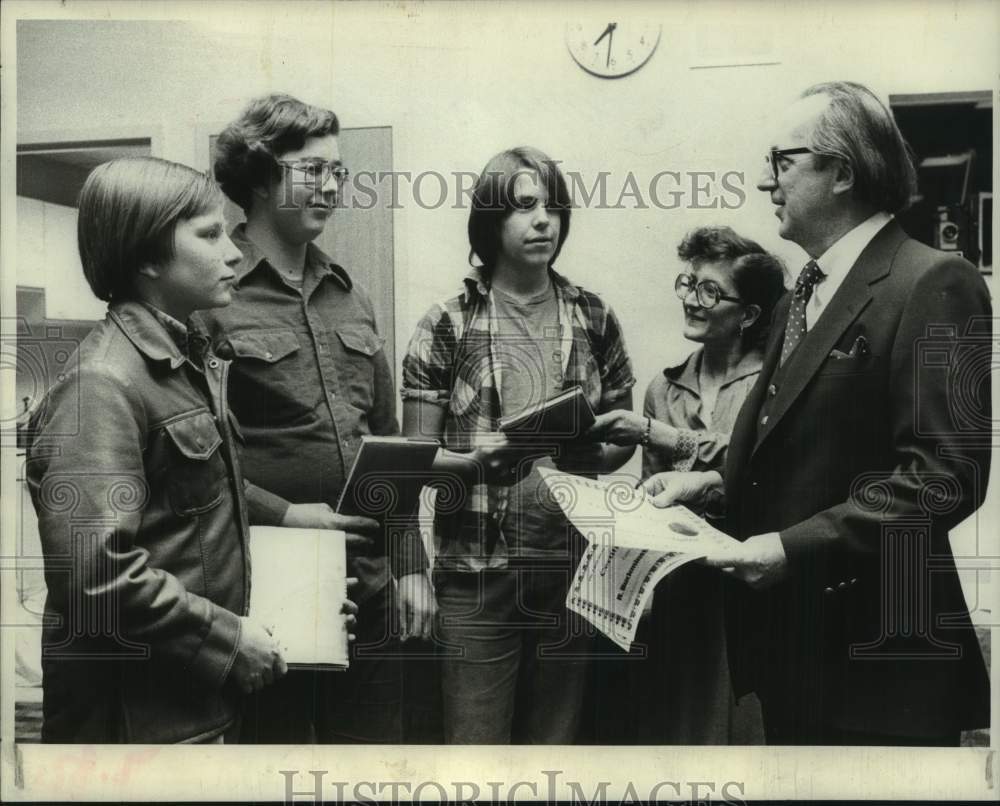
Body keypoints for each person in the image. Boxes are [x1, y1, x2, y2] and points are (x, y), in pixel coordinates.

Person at [646, 81, 991, 745]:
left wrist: (791, 550)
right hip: (794, 660)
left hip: (881, 674)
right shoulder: (800, 294)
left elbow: (947, 475)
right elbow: (811, 449)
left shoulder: (934, 281)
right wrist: (711, 483)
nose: (763, 182)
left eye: (782, 161)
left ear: (842, 171)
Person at [26, 157, 356, 743]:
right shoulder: (102, 383)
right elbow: (96, 577)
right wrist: (227, 642)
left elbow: (199, 522)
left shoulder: (184, 363)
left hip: (192, 706)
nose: (233, 253)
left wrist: (299, 610)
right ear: (148, 257)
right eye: (209, 235)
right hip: (141, 727)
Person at [200, 93, 433, 743]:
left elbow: (390, 446)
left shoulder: (348, 293)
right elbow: (195, 467)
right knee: (269, 768)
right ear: (261, 173)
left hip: (366, 580)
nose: (332, 186)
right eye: (313, 170)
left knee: (372, 765)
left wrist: (411, 565)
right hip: (263, 583)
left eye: (339, 172)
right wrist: (286, 515)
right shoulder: (213, 296)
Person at [401, 146, 637, 744]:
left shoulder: (594, 316)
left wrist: (591, 453)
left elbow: (623, 439)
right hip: (477, 571)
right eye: (525, 207)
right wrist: (477, 463)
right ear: (490, 220)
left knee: (555, 750)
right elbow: (412, 463)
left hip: (574, 568)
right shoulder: (447, 322)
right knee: (475, 754)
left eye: (554, 207)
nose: (544, 221)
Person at [586, 226, 784, 743]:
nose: (692, 301)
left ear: (749, 315)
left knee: (746, 742)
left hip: (749, 593)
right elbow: (655, 497)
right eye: (688, 284)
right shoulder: (663, 387)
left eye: (710, 291)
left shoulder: (776, 386)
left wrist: (659, 435)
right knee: (675, 736)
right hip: (679, 596)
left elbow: (760, 473)